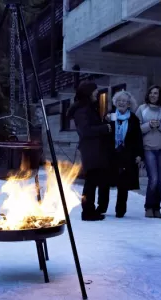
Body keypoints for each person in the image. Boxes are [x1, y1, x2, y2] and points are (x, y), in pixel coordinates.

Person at [67, 81, 112, 221]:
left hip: (95, 149)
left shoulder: (88, 108)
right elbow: (85, 130)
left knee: (94, 180)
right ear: (88, 92)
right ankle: (87, 212)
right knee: (91, 182)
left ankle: (91, 211)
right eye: (95, 91)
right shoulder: (82, 110)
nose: (97, 93)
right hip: (91, 150)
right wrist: (105, 128)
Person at [102, 91, 144, 218]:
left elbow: (138, 138)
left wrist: (139, 154)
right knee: (105, 181)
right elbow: (102, 134)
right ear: (115, 102)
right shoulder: (110, 116)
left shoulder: (133, 119)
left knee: (123, 183)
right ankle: (102, 207)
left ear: (129, 104)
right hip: (110, 153)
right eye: (119, 100)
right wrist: (105, 121)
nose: (121, 103)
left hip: (126, 153)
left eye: (124, 101)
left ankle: (120, 210)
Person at [135, 85, 161, 218]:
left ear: (160, 95)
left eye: (156, 93)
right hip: (148, 148)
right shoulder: (142, 109)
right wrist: (149, 125)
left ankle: (157, 208)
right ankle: (149, 207)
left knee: (160, 181)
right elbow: (136, 129)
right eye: (151, 93)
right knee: (154, 179)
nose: (153, 95)